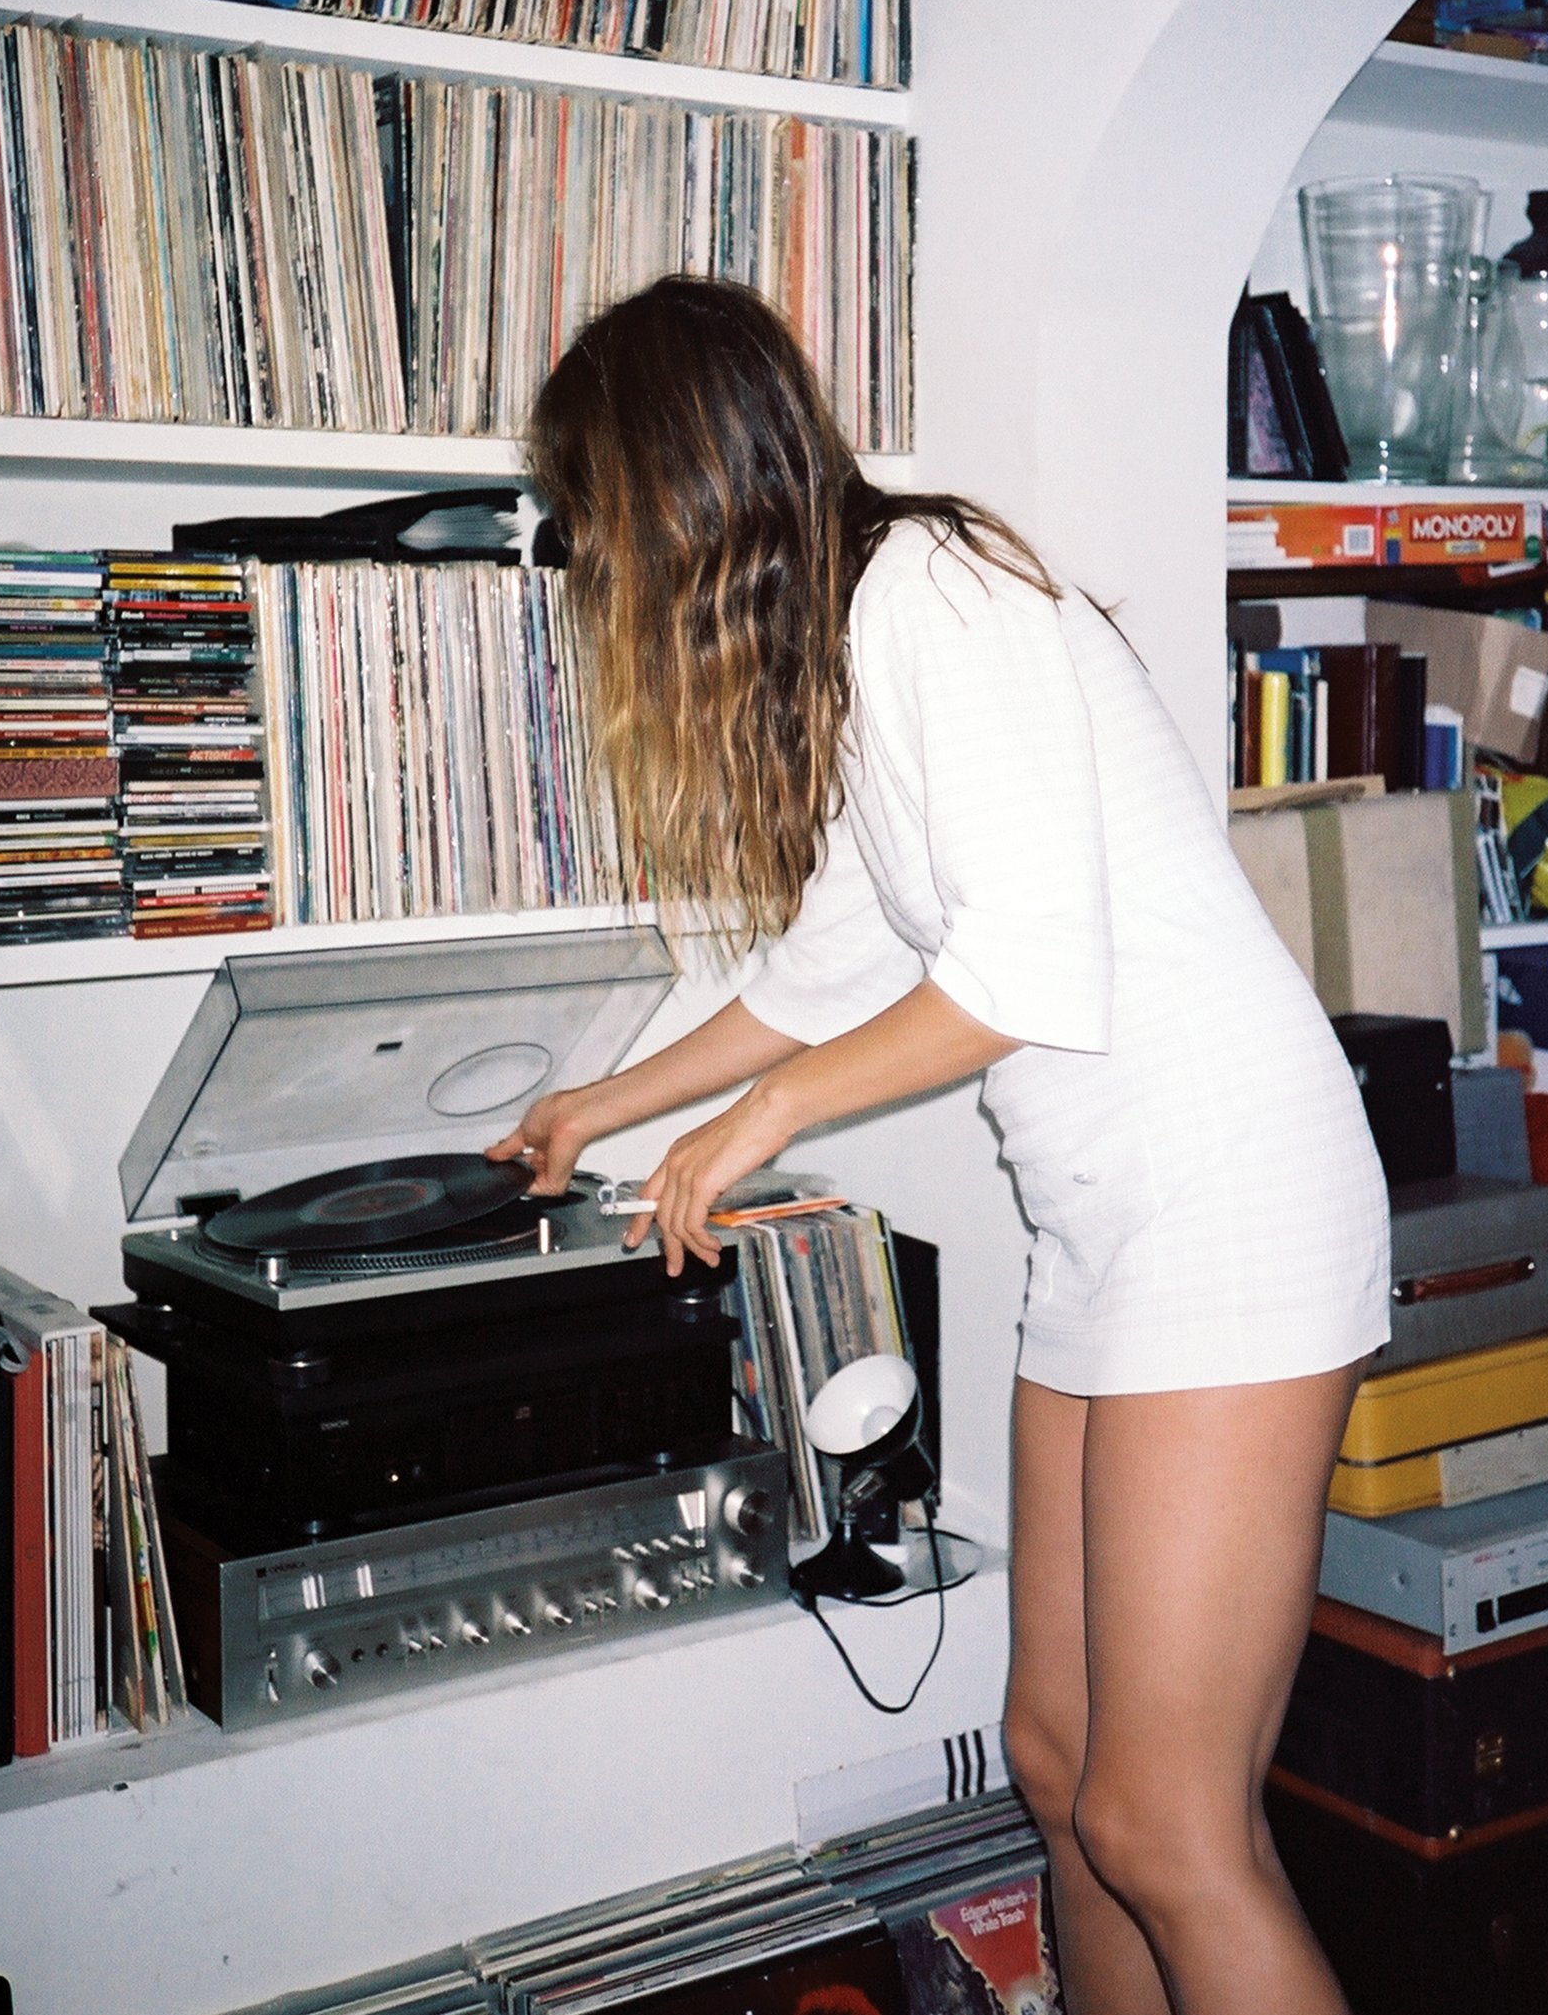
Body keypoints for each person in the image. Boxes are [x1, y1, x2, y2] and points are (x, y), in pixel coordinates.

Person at [488, 277, 1389, 2015]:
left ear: (678, 486)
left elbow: (1021, 970)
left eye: (599, 524)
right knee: (1057, 1761)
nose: (599, 570)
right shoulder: (857, 640)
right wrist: (609, 1103)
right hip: (1110, 1227)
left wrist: (762, 1119)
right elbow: (834, 965)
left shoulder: (935, 589)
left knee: (1167, 1823)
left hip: (1231, 1203)